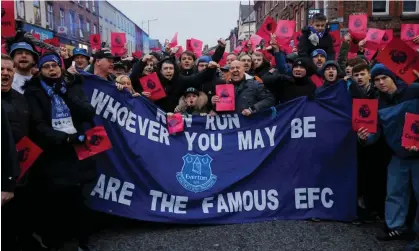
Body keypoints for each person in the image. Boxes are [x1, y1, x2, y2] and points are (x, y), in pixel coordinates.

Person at [23, 52, 96, 251]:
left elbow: (88, 112)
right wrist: (64, 138)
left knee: (78, 197)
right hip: (52, 153)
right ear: (40, 71)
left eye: (55, 65)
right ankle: (54, 240)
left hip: (77, 151)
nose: (52, 70)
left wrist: (64, 93)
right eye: (46, 66)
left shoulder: (73, 87)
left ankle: (82, 240)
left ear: (61, 68)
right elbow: (37, 125)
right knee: (53, 200)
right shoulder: (33, 92)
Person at [357, 64, 419, 241]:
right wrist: (363, 138)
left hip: (418, 154)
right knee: (394, 193)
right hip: (398, 155)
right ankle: (395, 227)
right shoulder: (377, 104)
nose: (380, 82)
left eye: (384, 78)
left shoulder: (414, 90)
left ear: (393, 77)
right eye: (376, 80)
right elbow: (374, 133)